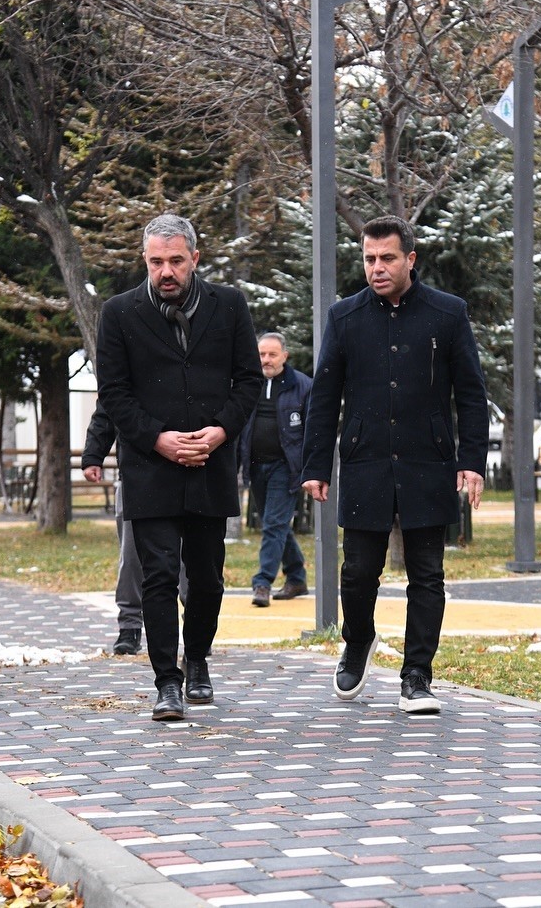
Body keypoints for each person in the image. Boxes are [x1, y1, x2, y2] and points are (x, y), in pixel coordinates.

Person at [300, 215, 488, 716]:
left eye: (386, 258)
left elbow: (471, 394)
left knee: (427, 574)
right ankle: (358, 640)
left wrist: (472, 461)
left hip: (428, 460)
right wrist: (316, 464)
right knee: (359, 572)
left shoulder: (447, 314)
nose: (376, 268)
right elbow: (324, 396)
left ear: (411, 258)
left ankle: (417, 675)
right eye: (368, 259)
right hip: (365, 461)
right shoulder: (345, 317)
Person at [96, 213, 262, 721]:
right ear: (144, 260)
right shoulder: (119, 313)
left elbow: (248, 380)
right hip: (151, 467)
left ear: (195, 256)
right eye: (154, 262)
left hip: (211, 463)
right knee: (159, 576)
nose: (165, 271)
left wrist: (220, 431)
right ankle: (167, 681)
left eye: (174, 260)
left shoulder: (229, 305)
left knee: (208, 578)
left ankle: (198, 664)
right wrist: (157, 440)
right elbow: (115, 393)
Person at [81, 404, 190, 656]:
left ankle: (195, 625)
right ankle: (129, 625)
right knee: (132, 558)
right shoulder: (127, 368)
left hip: (189, 471)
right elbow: (109, 407)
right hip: (137, 474)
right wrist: (93, 455)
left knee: (189, 558)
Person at [238, 331, 312, 606]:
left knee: (273, 524)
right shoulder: (248, 384)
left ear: (284, 356)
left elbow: (314, 429)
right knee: (278, 524)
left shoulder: (302, 386)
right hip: (256, 466)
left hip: (286, 467)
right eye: (261, 354)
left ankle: (262, 584)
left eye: (272, 354)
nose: (266, 360)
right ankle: (297, 577)